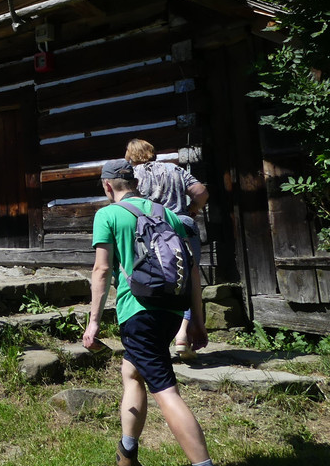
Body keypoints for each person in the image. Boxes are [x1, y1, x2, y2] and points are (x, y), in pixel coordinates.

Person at [82, 159, 213, 466]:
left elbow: (101, 270)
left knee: (166, 391)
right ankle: (127, 454)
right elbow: (192, 271)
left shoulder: (108, 215)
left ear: (107, 186)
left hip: (138, 312)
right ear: (136, 183)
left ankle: (203, 464)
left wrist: (93, 323)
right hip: (171, 310)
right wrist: (197, 321)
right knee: (131, 370)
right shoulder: (168, 213)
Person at [125, 138, 209, 359]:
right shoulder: (174, 169)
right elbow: (201, 192)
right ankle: (182, 334)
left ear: (130, 156)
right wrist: (191, 210)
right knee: (187, 281)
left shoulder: (133, 175)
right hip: (182, 226)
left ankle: (154, 336)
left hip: (149, 233)